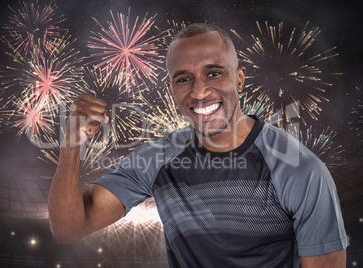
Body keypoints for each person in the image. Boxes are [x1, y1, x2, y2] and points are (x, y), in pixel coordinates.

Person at [48, 23, 348, 267]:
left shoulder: (298, 168)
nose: (200, 91)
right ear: (170, 88)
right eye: (183, 79)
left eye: (213, 73)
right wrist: (70, 147)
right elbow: (68, 228)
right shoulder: (155, 159)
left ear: (240, 79)